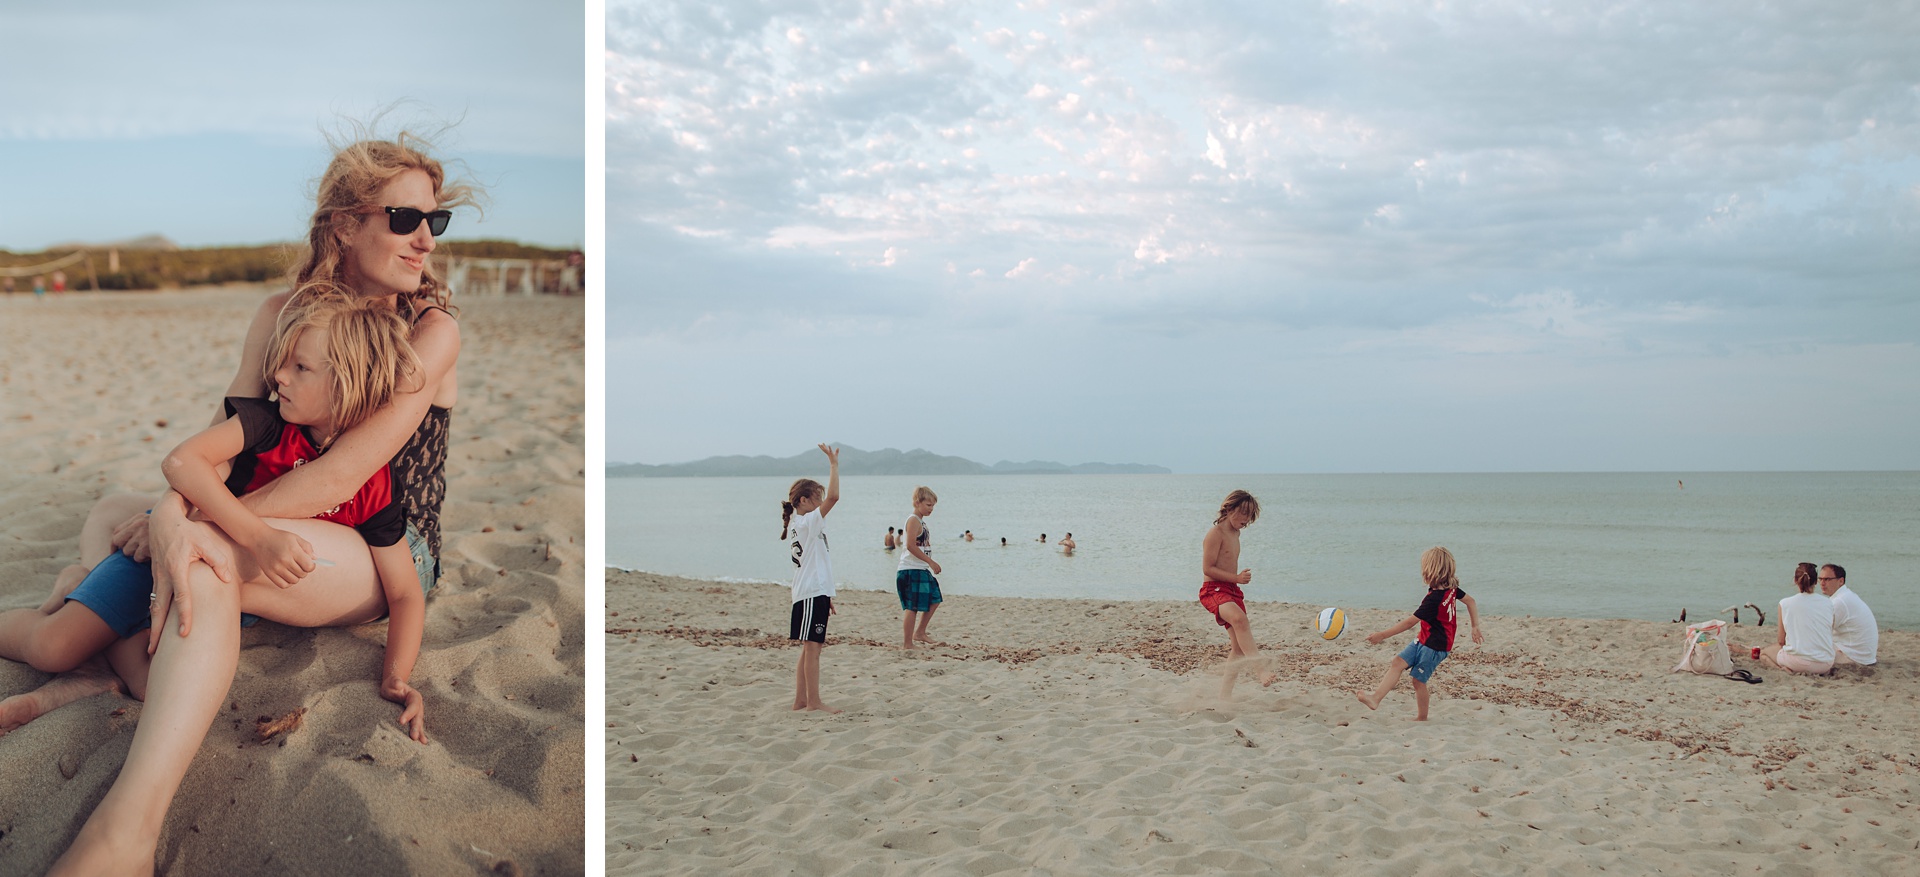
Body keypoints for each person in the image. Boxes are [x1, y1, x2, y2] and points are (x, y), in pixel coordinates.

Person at [39, 130, 474, 875]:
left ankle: (126, 834)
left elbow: (340, 477)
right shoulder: (282, 313)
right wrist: (173, 509)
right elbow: (221, 445)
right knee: (116, 509)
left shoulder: (429, 334)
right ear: (345, 222)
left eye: (436, 221)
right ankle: (112, 641)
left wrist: (187, 518)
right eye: (405, 218)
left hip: (380, 543)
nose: (426, 240)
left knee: (200, 547)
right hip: (276, 514)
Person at [1, 292, 432, 744]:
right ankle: (81, 606)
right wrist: (259, 537)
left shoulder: (374, 482)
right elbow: (182, 461)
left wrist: (396, 678)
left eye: (300, 368)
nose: (278, 376)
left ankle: (93, 629)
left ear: (348, 384)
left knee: (151, 686)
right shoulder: (264, 424)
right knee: (53, 648)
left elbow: (404, 592)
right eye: (283, 361)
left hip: (213, 591)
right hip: (162, 549)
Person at [1356, 546, 1484, 721]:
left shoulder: (1434, 600)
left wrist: (1382, 635)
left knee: (1418, 681)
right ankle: (1375, 698)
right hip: (1424, 639)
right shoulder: (1451, 588)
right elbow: (1471, 601)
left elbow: (1409, 623)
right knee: (1397, 662)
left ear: (1430, 572)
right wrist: (1475, 626)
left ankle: (1422, 717)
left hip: (1435, 647)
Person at [780, 444, 841, 713]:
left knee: (809, 649)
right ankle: (813, 702)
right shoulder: (805, 522)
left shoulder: (801, 524)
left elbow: (817, 562)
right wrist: (833, 465)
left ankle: (801, 700)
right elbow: (835, 498)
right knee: (812, 649)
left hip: (814, 593)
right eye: (817, 498)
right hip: (808, 593)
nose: (821, 502)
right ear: (803, 501)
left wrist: (826, 594)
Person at [1199, 490, 1272, 697]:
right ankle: (1260, 669)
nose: (1246, 519)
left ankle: (1224, 696)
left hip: (1231, 590)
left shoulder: (1235, 533)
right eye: (1243, 513)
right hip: (1213, 590)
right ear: (1229, 508)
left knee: (1238, 648)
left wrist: (1236, 582)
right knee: (1240, 620)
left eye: (1250, 515)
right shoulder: (1216, 534)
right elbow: (1207, 568)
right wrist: (1237, 578)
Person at [1760, 562, 1834, 676]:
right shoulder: (1828, 603)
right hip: (1825, 663)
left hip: (1800, 663)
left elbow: (1781, 641)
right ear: (1815, 582)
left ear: (1795, 581)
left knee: (1763, 654)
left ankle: (1783, 670)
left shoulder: (1785, 603)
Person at [896, 486, 943, 649]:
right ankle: (907, 643)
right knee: (912, 607)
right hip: (911, 569)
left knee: (935, 598)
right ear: (917, 502)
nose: (931, 509)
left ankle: (920, 632)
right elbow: (910, 546)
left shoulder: (920, 521)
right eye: (928, 505)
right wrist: (931, 562)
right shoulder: (913, 520)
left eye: (933, 506)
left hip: (920, 568)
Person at [1819, 564, 1877, 668]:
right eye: (1820, 579)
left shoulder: (1840, 602)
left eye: (1827, 579)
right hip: (1863, 655)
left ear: (1841, 581)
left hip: (1854, 657)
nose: (1822, 583)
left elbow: (1821, 632)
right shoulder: (1846, 595)